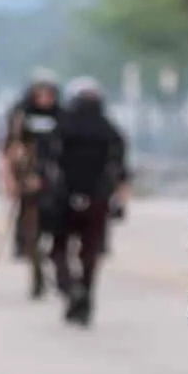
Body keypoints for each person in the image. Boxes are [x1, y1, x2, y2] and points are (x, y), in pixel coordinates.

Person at [46, 77, 130, 325]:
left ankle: (70, 287)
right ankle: (85, 293)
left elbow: (47, 163)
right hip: (98, 198)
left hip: (64, 196)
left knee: (58, 248)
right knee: (91, 251)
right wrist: (120, 200)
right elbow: (120, 169)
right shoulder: (110, 130)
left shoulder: (61, 127)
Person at [3, 75, 62, 297]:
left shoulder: (62, 116)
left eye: (49, 93)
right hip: (29, 177)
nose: (45, 98)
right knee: (30, 231)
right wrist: (12, 179)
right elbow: (11, 149)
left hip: (56, 177)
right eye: (40, 93)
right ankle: (36, 272)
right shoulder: (22, 117)